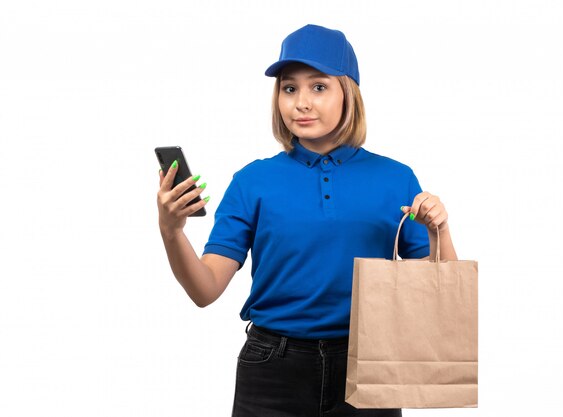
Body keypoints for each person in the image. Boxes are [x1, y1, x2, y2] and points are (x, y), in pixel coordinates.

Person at [157, 24, 458, 417]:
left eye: (319, 87)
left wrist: (441, 231)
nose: (301, 102)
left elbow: (440, 295)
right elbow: (205, 289)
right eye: (289, 88)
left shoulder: (395, 178)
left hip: (370, 366)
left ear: (348, 93)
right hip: (272, 369)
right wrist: (171, 231)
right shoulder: (252, 181)